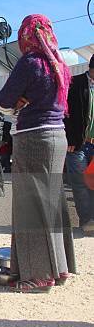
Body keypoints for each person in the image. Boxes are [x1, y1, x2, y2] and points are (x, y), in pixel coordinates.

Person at [0, 14, 76, 292]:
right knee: (52, 202)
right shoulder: (60, 65)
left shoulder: (30, 63)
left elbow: (4, 101)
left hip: (33, 137)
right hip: (57, 135)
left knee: (30, 205)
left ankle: (39, 274)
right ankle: (60, 267)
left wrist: (16, 104)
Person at [64, 54, 94, 233]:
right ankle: (87, 220)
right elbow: (64, 112)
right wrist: (69, 138)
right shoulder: (75, 83)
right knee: (80, 183)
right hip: (78, 144)